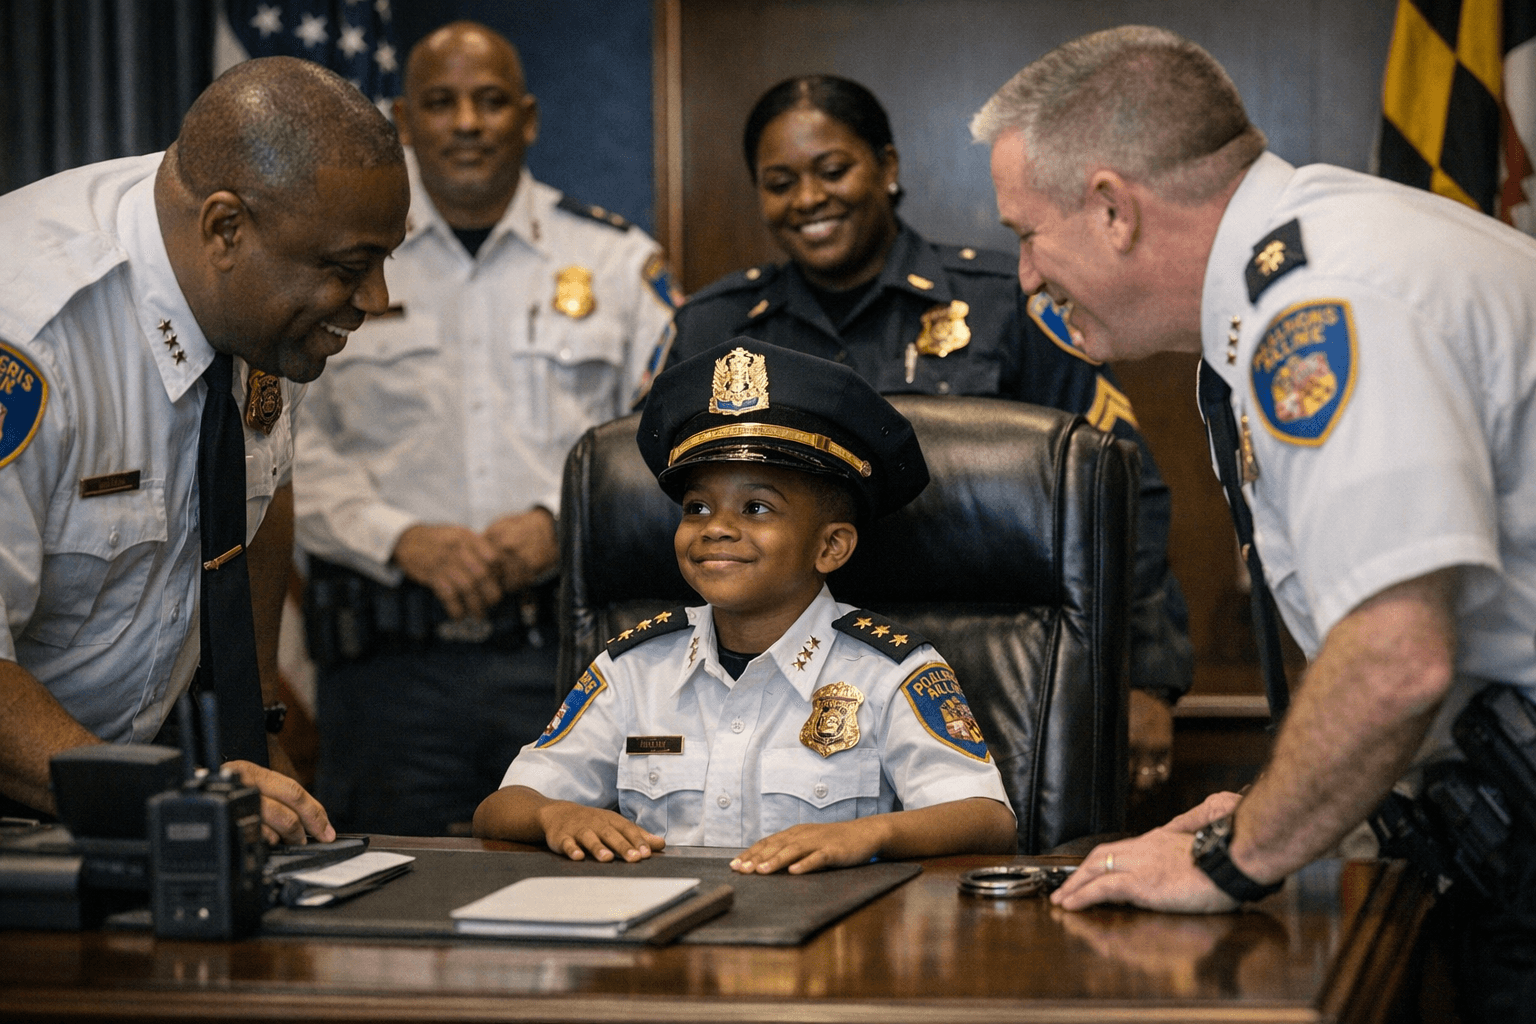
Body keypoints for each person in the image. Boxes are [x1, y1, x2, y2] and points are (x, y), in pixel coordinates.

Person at [971, 25, 1536, 1019]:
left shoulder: (1323, 303)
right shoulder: (1310, 263)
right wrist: (1286, 803)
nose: (1024, 277)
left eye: (1026, 232)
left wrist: (1235, 858)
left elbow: (1397, 656)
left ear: (1112, 208)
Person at [658, 75, 1191, 787]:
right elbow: (661, 512)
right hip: (771, 693)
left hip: (994, 681)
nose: (808, 199)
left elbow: (1122, 491)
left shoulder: (1008, 306)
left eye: (833, 170)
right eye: (779, 182)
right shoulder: (715, 329)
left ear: (887, 167)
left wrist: (1147, 677)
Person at [0, 57, 409, 843]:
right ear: (226, 229)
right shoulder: (31, 340)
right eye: (351, 268)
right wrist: (165, 807)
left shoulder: (263, 297)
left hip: (119, 785)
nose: (376, 301)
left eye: (386, 259)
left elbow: (262, 481)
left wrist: (253, 727)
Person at [292, 22, 680, 837]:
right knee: (390, 915)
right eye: (440, 102)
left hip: (564, 662)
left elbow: (664, 437)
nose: (467, 122)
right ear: (402, 120)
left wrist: (558, 522)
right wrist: (397, 537)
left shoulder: (615, 263)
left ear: (529, 118)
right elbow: (285, 439)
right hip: (386, 672)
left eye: (490, 101)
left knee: (579, 902)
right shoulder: (339, 259)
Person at [473, 339, 1018, 873]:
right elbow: (500, 808)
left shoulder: (890, 672)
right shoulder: (634, 669)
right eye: (697, 507)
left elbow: (987, 819)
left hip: (828, 945)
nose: (717, 529)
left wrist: (868, 834)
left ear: (831, 546)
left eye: (756, 508)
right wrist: (554, 813)